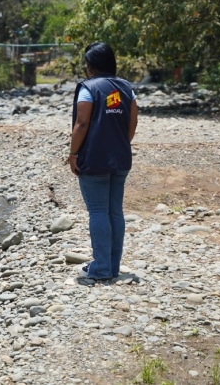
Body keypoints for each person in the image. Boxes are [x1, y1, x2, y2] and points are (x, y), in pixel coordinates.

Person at [68, 42, 138, 280]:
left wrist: (73, 154)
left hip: (94, 159)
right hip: (120, 159)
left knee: (98, 211)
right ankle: (112, 266)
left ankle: (100, 268)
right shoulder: (127, 88)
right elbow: (132, 124)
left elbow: (82, 124)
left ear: (91, 66)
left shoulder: (88, 88)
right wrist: (119, 144)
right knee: (115, 211)